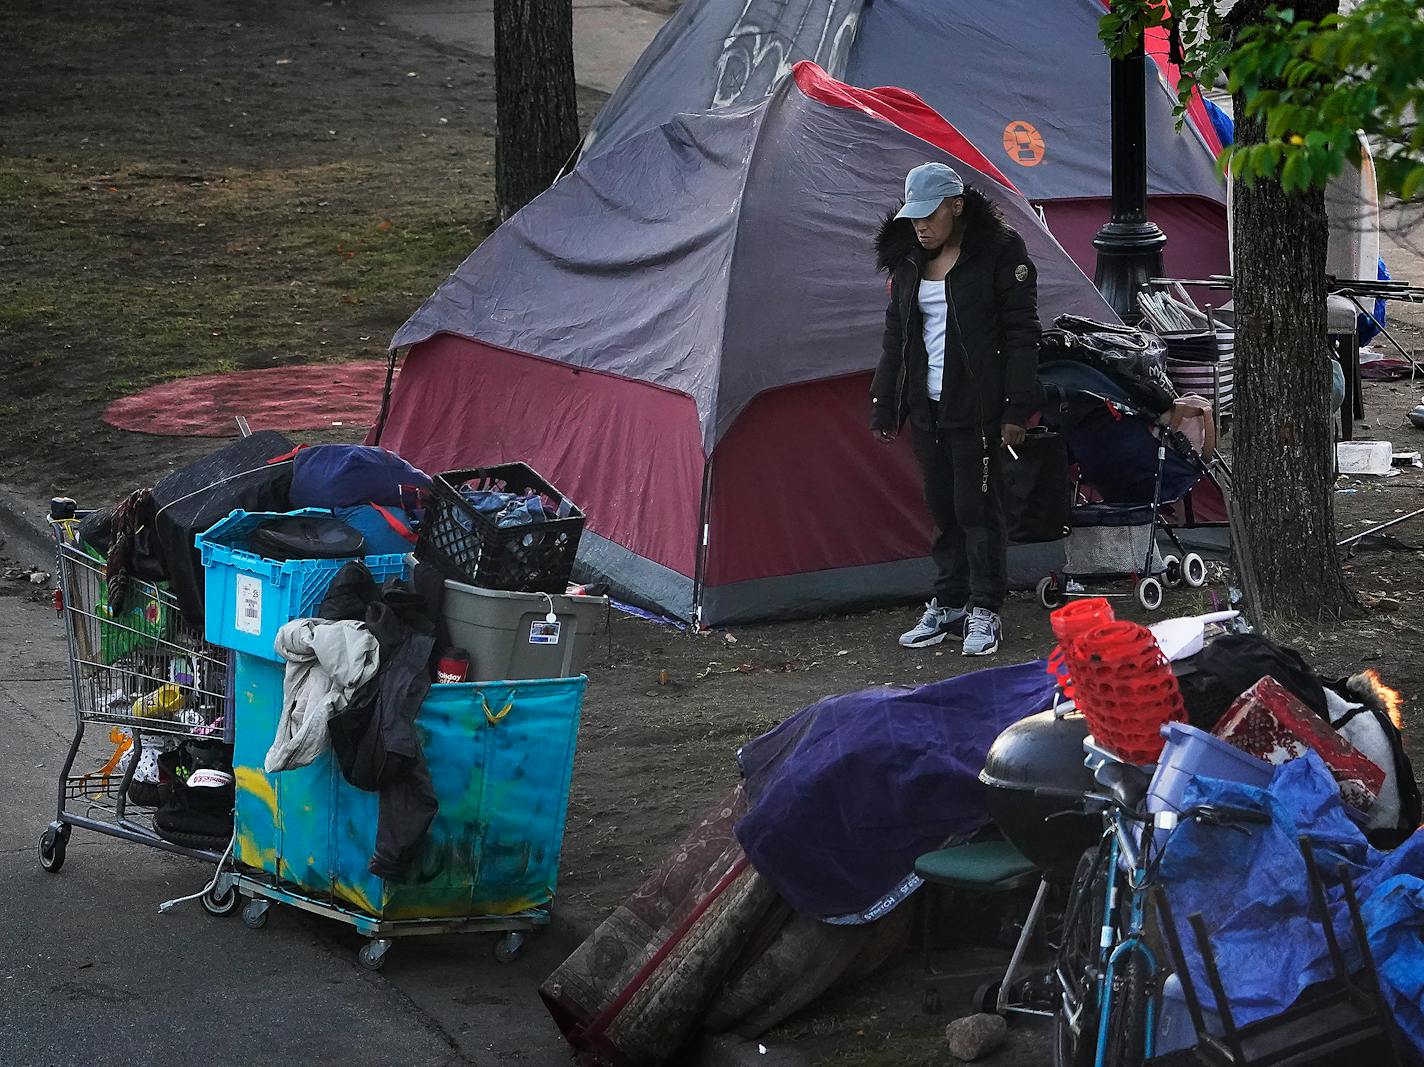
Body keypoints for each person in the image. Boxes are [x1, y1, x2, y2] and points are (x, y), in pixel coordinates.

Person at [871, 162, 1041, 656]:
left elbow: (1022, 335)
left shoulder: (1000, 253)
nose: (920, 225)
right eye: (912, 216)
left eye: (929, 215)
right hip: (928, 402)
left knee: (978, 508)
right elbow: (896, 335)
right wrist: (886, 403)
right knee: (942, 506)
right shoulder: (908, 258)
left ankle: (986, 607)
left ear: (957, 206)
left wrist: (1016, 410)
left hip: (980, 403)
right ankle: (949, 601)